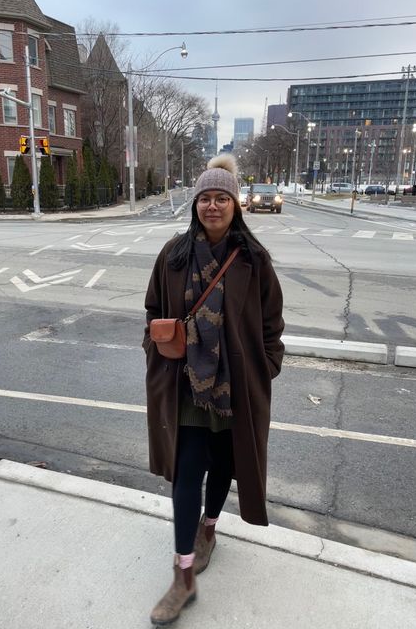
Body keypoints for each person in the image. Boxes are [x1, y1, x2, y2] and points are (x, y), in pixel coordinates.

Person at [142, 154, 284, 626]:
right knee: (187, 474)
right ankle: (183, 575)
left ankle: (209, 528)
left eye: (222, 197)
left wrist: (266, 367)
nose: (213, 205)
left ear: (235, 204)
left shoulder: (255, 260)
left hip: (236, 388)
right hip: (184, 387)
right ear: (195, 203)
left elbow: (271, 323)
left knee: (224, 465)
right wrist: (155, 351)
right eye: (205, 197)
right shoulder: (174, 254)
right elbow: (152, 310)